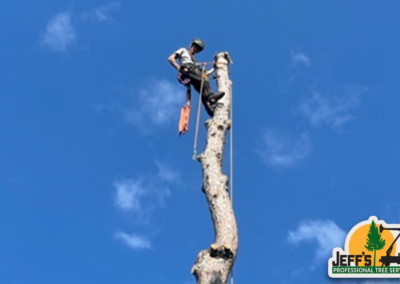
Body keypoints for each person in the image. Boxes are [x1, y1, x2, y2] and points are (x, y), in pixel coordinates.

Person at [168, 39, 224, 117]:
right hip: (189, 68)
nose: (195, 49)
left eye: (198, 49)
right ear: (191, 45)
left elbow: (206, 74)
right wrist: (179, 68)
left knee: (202, 88)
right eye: (195, 47)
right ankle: (211, 97)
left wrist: (214, 68)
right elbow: (171, 58)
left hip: (195, 71)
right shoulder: (183, 50)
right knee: (204, 81)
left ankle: (210, 109)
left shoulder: (194, 61)